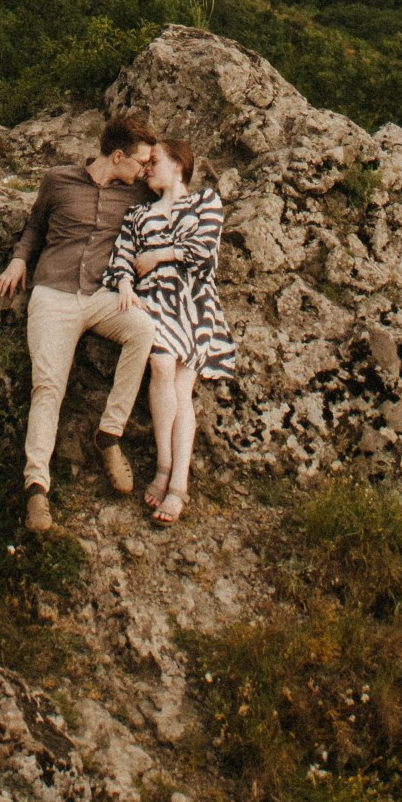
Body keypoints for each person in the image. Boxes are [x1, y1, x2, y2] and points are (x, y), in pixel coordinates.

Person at [0, 113, 158, 533]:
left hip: (103, 295)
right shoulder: (59, 180)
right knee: (48, 385)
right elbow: (35, 225)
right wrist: (18, 258)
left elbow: (176, 192)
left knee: (143, 331)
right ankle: (36, 487)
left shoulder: (137, 194)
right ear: (117, 155)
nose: (144, 170)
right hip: (54, 293)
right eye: (140, 161)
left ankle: (109, 434)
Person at [102, 134, 235, 525]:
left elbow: (205, 250)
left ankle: (175, 482)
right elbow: (120, 259)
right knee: (162, 367)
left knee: (181, 386)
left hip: (194, 302)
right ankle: (166, 469)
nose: (147, 170)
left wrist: (160, 253)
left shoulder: (206, 202)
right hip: (154, 301)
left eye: (154, 161)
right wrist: (125, 284)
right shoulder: (138, 215)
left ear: (178, 165)